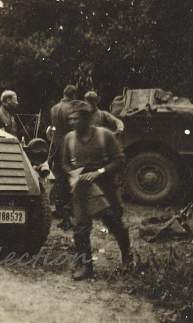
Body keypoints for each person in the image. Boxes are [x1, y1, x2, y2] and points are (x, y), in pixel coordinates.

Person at [62, 100, 132, 280]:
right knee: (80, 228)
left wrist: (98, 172)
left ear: (87, 119)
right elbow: (64, 163)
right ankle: (86, 266)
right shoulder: (69, 138)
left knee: (114, 222)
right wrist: (73, 174)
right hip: (81, 188)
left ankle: (127, 258)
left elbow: (120, 159)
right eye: (70, 120)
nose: (72, 123)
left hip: (106, 186)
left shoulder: (104, 135)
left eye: (76, 119)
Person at [47, 84, 78, 231]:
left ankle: (60, 210)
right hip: (70, 147)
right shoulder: (73, 109)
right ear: (73, 96)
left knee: (59, 178)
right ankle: (69, 213)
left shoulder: (54, 108)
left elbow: (53, 129)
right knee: (71, 178)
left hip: (56, 147)